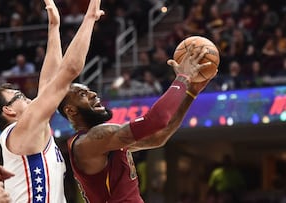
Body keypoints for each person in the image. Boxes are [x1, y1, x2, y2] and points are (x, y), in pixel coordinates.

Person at [0, 0, 104, 202]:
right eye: (20, 97)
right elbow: (68, 72)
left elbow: (48, 85)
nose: (28, 98)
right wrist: (90, 17)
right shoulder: (21, 131)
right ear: (8, 110)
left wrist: (54, 27)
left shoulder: (30, 131)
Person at [57, 43, 217, 202]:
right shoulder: (91, 140)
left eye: (89, 90)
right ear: (71, 110)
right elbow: (156, 120)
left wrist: (191, 92)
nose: (93, 94)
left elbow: (159, 136)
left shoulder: (105, 142)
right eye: (83, 94)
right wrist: (182, 78)